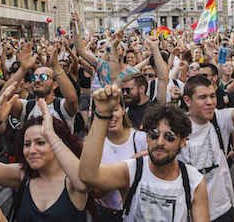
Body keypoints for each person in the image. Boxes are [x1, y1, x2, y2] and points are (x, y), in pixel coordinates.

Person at [80, 86, 209, 222]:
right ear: (146, 137)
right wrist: (102, 115)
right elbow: (88, 175)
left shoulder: (193, 181)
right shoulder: (132, 170)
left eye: (169, 137)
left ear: (182, 141)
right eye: (153, 135)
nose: (160, 142)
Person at [175, 35, 234, 221]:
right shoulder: (176, 128)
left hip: (221, 209)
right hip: (188, 212)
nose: (210, 102)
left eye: (212, 96)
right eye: (202, 98)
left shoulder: (220, 119)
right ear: (187, 100)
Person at [0, 85, 89, 222]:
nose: (32, 150)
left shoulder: (72, 181)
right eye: (27, 144)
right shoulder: (22, 175)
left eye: (40, 143)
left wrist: (50, 133)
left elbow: (83, 183)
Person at [89, 94, 148, 218]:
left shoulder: (141, 139)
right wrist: (126, 170)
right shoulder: (94, 144)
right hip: (105, 213)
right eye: (105, 111)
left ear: (123, 110)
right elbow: (95, 191)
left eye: (115, 110)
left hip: (136, 212)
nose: (111, 116)